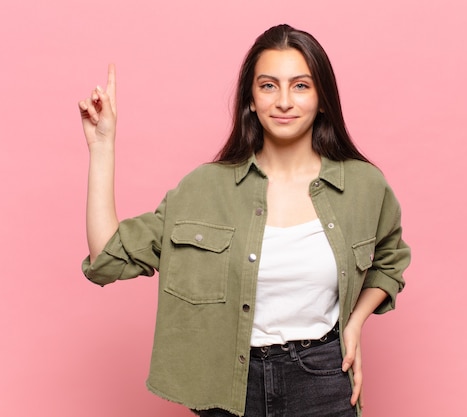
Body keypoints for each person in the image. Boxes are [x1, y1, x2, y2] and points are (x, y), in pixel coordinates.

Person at [79, 24, 410, 417]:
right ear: (251, 99)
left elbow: (390, 260)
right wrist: (102, 147)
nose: (284, 101)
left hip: (322, 380)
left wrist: (354, 322)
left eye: (301, 85)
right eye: (269, 85)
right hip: (231, 387)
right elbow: (106, 257)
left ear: (322, 98)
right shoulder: (204, 188)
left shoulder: (363, 186)